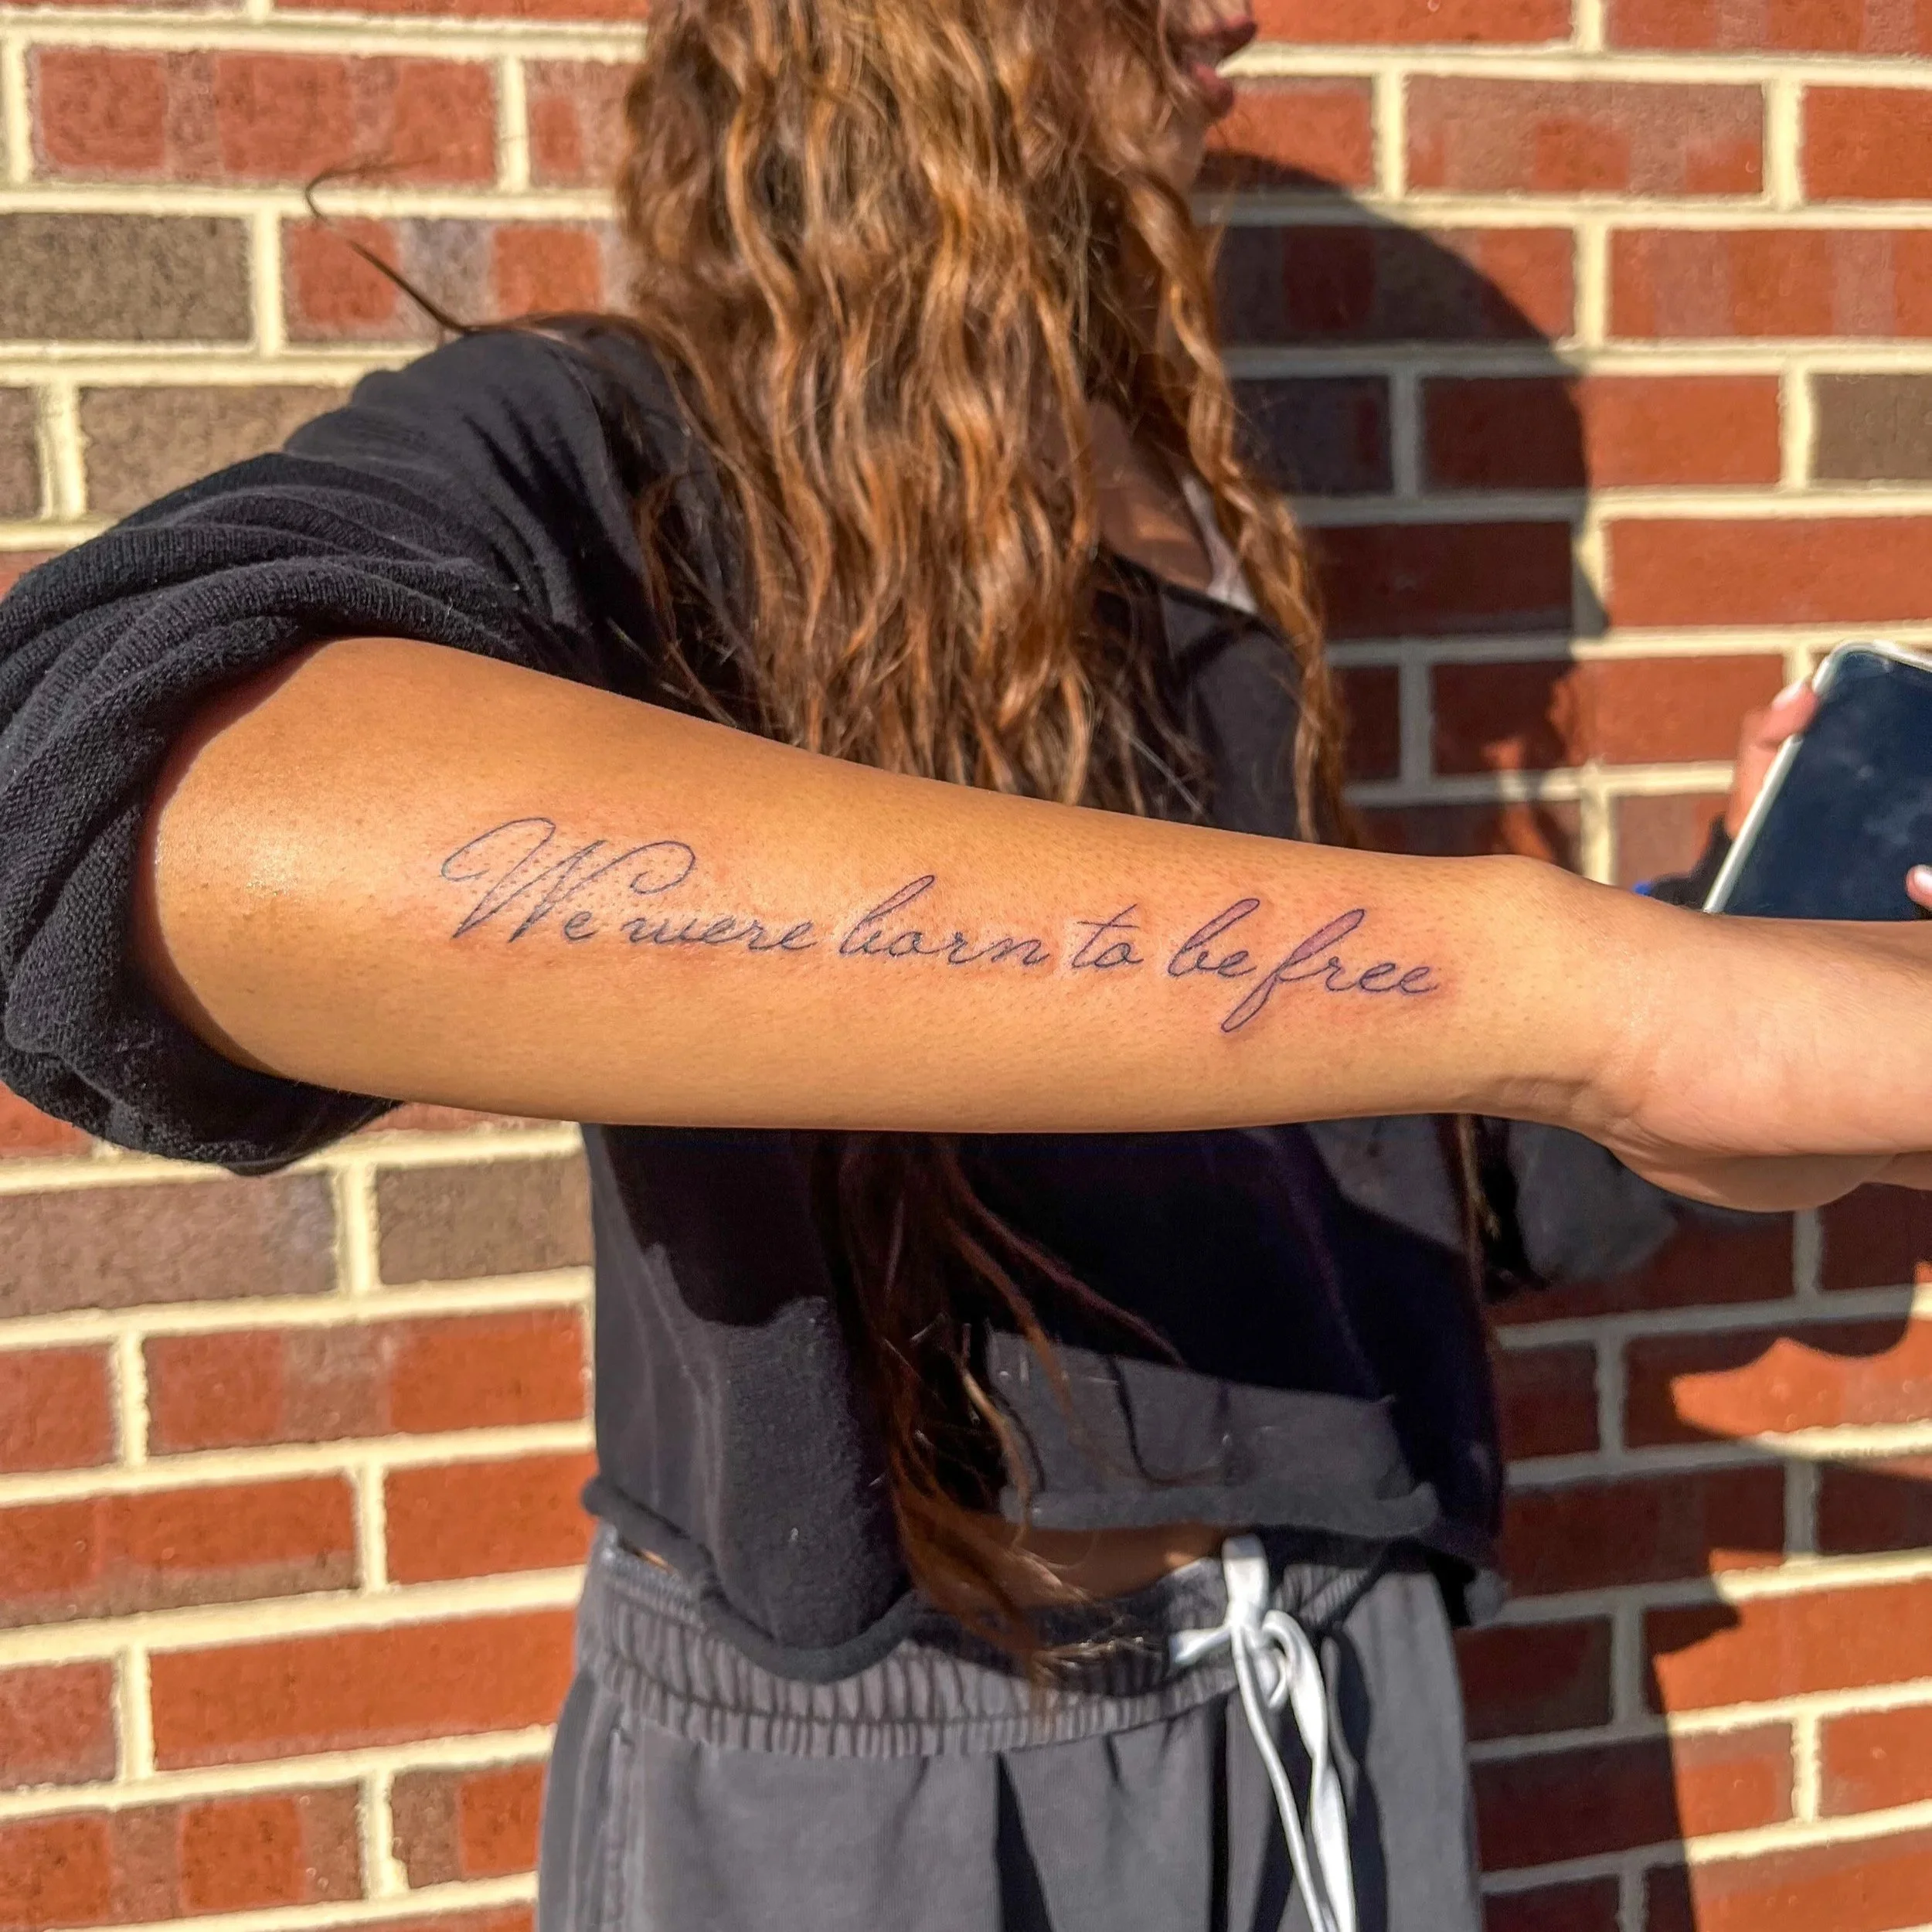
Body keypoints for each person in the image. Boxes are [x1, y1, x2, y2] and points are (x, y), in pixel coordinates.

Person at [2, 3, 1929, 1927]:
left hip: (1324, 1682)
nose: (1228, 14)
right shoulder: (623, 450)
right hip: (888, 1771)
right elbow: (136, 814)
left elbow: (1377, 1165)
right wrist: (1584, 993)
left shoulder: (1172, 496)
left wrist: (1718, 955)